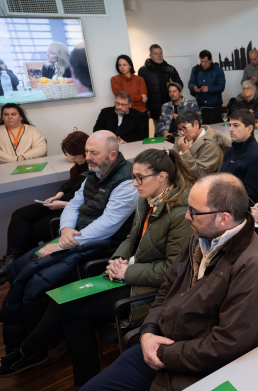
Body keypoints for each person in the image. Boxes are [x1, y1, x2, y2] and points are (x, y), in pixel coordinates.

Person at [0, 148, 194, 385]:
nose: (134, 184)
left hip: (148, 290)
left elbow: (171, 271)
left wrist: (127, 271)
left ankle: (27, 352)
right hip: (128, 273)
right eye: (133, 177)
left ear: (162, 177)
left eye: (139, 178)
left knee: (64, 306)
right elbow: (130, 238)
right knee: (73, 319)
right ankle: (85, 382)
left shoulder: (180, 213)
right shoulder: (148, 199)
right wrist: (118, 259)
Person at [80, 173, 258, 391]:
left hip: (199, 367)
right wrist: (148, 331)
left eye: (194, 212)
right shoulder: (200, 237)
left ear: (223, 218)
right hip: (164, 342)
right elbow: (167, 288)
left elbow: (226, 345)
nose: (187, 217)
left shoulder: (257, 268)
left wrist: (161, 352)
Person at [1, 131, 139, 350]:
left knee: (35, 283)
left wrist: (62, 243)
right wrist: (65, 230)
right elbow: (74, 204)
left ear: (112, 155)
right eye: (86, 151)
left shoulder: (126, 181)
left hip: (100, 244)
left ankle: (40, 344)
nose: (88, 156)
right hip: (75, 237)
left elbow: (107, 226)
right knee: (16, 269)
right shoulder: (95, 172)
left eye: (94, 152)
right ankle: (26, 334)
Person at [0, 131, 89, 283]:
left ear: (83, 150)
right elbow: (68, 184)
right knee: (19, 214)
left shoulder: (93, 169)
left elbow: (88, 203)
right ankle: (11, 261)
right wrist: (58, 195)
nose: (71, 158)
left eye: (73, 154)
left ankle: (16, 268)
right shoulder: (78, 166)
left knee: (29, 232)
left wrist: (60, 204)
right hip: (61, 203)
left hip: (70, 209)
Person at [220, 109, 258, 204]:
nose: (230, 129)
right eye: (230, 125)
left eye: (236, 125)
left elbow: (250, 198)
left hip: (234, 208)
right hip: (221, 199)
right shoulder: (231, 149)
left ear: (249, 129)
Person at [172, 109, 229, 180]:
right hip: (180, 177)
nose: (182, 133)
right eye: (180, 129)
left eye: (184, 128)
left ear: (196, 124)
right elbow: (172, 158)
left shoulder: (210, 143)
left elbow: (201, 173)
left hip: (196, 184)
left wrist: (185, 152)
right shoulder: (186, 136)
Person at [138, 44, 183, 121]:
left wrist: (174, 83)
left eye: (160, 53)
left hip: (172, 107)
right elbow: (142, 92)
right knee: (159, 132)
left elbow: (180, 85)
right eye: (156, 54)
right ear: (150, 55)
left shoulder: (170, 68)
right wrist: (147, 108)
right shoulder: (143, 71)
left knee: (176, 130)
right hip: (155, 109)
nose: (159, 56)